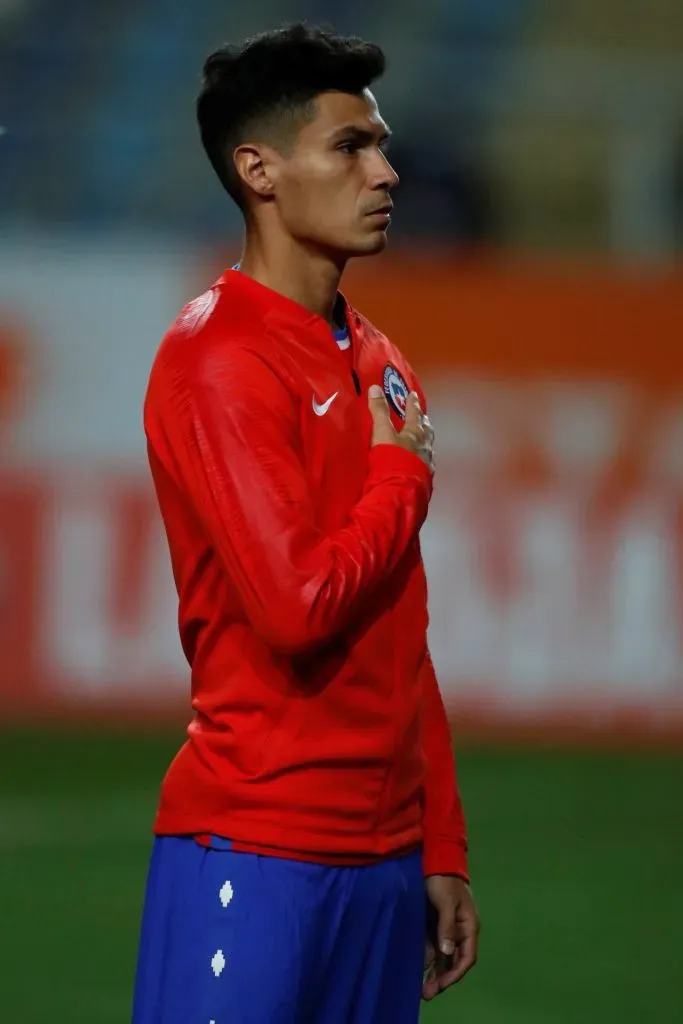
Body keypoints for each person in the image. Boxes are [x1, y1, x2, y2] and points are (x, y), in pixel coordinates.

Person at [133, 22, 480, 1024]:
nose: (387, 171)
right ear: (259, 170)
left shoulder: (381, 358)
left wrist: (438, 842)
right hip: (254, 848)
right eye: (350, 146)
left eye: (380, 143)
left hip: (381, 860)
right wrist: (396, 480)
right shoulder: (218, 360)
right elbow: (297, 606)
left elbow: (396, 629)